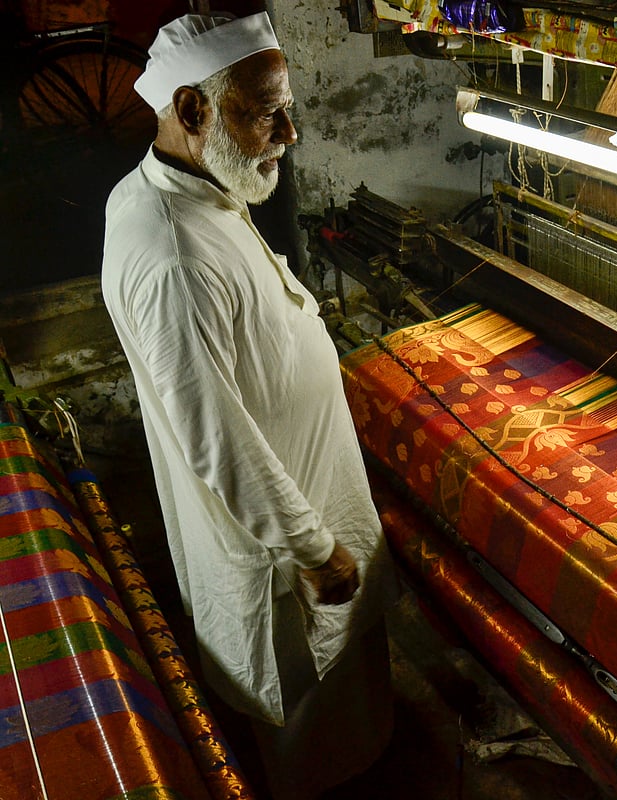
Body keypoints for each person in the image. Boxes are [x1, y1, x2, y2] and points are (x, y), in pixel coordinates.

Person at [101, 12, 397, 798]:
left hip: (307, 516)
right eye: (267, 112)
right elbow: (217, 437)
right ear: (194, 110)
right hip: (283, 560)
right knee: (311, 736)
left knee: (353, 711)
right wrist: (313, 547)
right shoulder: (173, 253)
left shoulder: (196, 194)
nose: (289, 133)